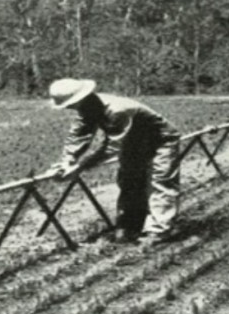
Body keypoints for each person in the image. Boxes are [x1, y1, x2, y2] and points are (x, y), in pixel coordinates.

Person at [48, 78, 182, 243]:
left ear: (81, 98)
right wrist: (67, 160)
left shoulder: (116, 110)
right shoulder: (88, 108)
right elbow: (79, 134)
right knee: (129, 181)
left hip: (161, 140)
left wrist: (80, 167)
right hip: (132, 142)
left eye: (69, 104)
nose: (68, 108)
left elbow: (112, 147)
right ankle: (131, 226)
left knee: (160, 181)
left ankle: (160, 230)